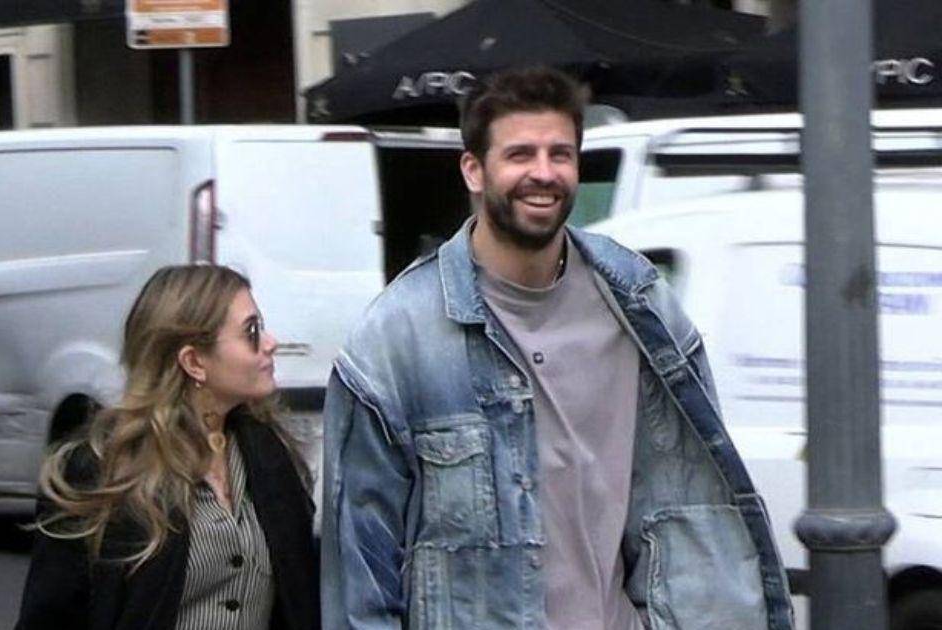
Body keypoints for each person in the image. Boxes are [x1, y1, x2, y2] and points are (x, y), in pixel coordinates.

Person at [320, 66, 794, 629]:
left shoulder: (640, 305)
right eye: (520, 155)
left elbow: (696, 513)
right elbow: (360, 575)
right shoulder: (396, 337)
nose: (543, 173)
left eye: (560, 154)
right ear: (473, 169)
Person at [15, 265, 319, 630]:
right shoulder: (103, 472)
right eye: (251, 332)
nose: (271, 343)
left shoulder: (269, 455)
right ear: (194, 362)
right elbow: (52, 615)